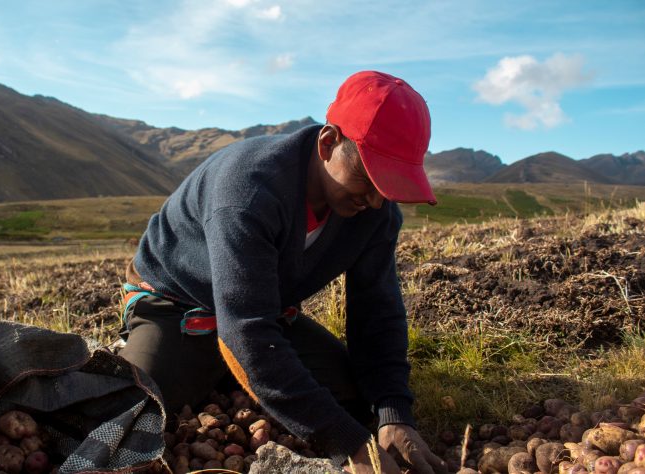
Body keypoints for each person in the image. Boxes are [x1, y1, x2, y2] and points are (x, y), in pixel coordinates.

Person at [118, 71, 445, 474]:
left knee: (358, 398)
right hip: (178, 306)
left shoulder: (375, 213)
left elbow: (377, 313)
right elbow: (248, 333)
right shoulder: (248, 192)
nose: (377, 201)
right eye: (370, 177)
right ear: (328, 144)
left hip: (262, 311)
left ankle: (238, 376)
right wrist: (352, 445)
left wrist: (395, 414)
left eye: (389, 184)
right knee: (132, 410)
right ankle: (212, 366)